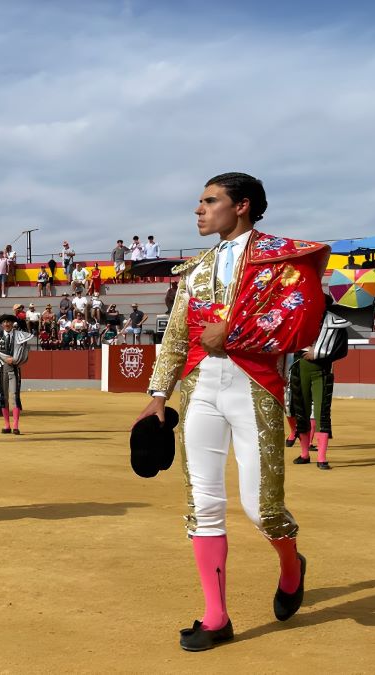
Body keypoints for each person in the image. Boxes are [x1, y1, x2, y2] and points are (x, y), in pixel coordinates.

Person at [138, 172, 329, 652]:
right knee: (202, 501)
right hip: (201, 387)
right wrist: (158, 394)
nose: (199, 210)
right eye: (200, 202)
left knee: (261, 507)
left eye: (209, 201)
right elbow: (178, 335)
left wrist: (235, 335)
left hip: (254, 387)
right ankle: (215, 616)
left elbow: (300, 320)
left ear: (241, 206)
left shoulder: (282, 260)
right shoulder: (196, 269)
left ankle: (290, 565)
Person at [286, 294, 351, 470]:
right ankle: (305, 454)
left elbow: (342, 350)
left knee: (322, 412)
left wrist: (320, 353)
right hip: (300, 369)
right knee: (302, 412)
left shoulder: (334, 323)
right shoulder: (300, 318)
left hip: (321, 370)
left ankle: (321, 458)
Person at [0, 314, 32, 433]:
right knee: (3, 397)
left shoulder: (18, 335)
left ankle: (15, 425)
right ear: (1, 324)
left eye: (8, 322)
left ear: (12, 323)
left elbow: (24, 351)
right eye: (4, 322)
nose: (6, 324)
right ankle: (6, 425)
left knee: (15, 396)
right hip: (1, 368)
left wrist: (17, 360)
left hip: (14, 369)